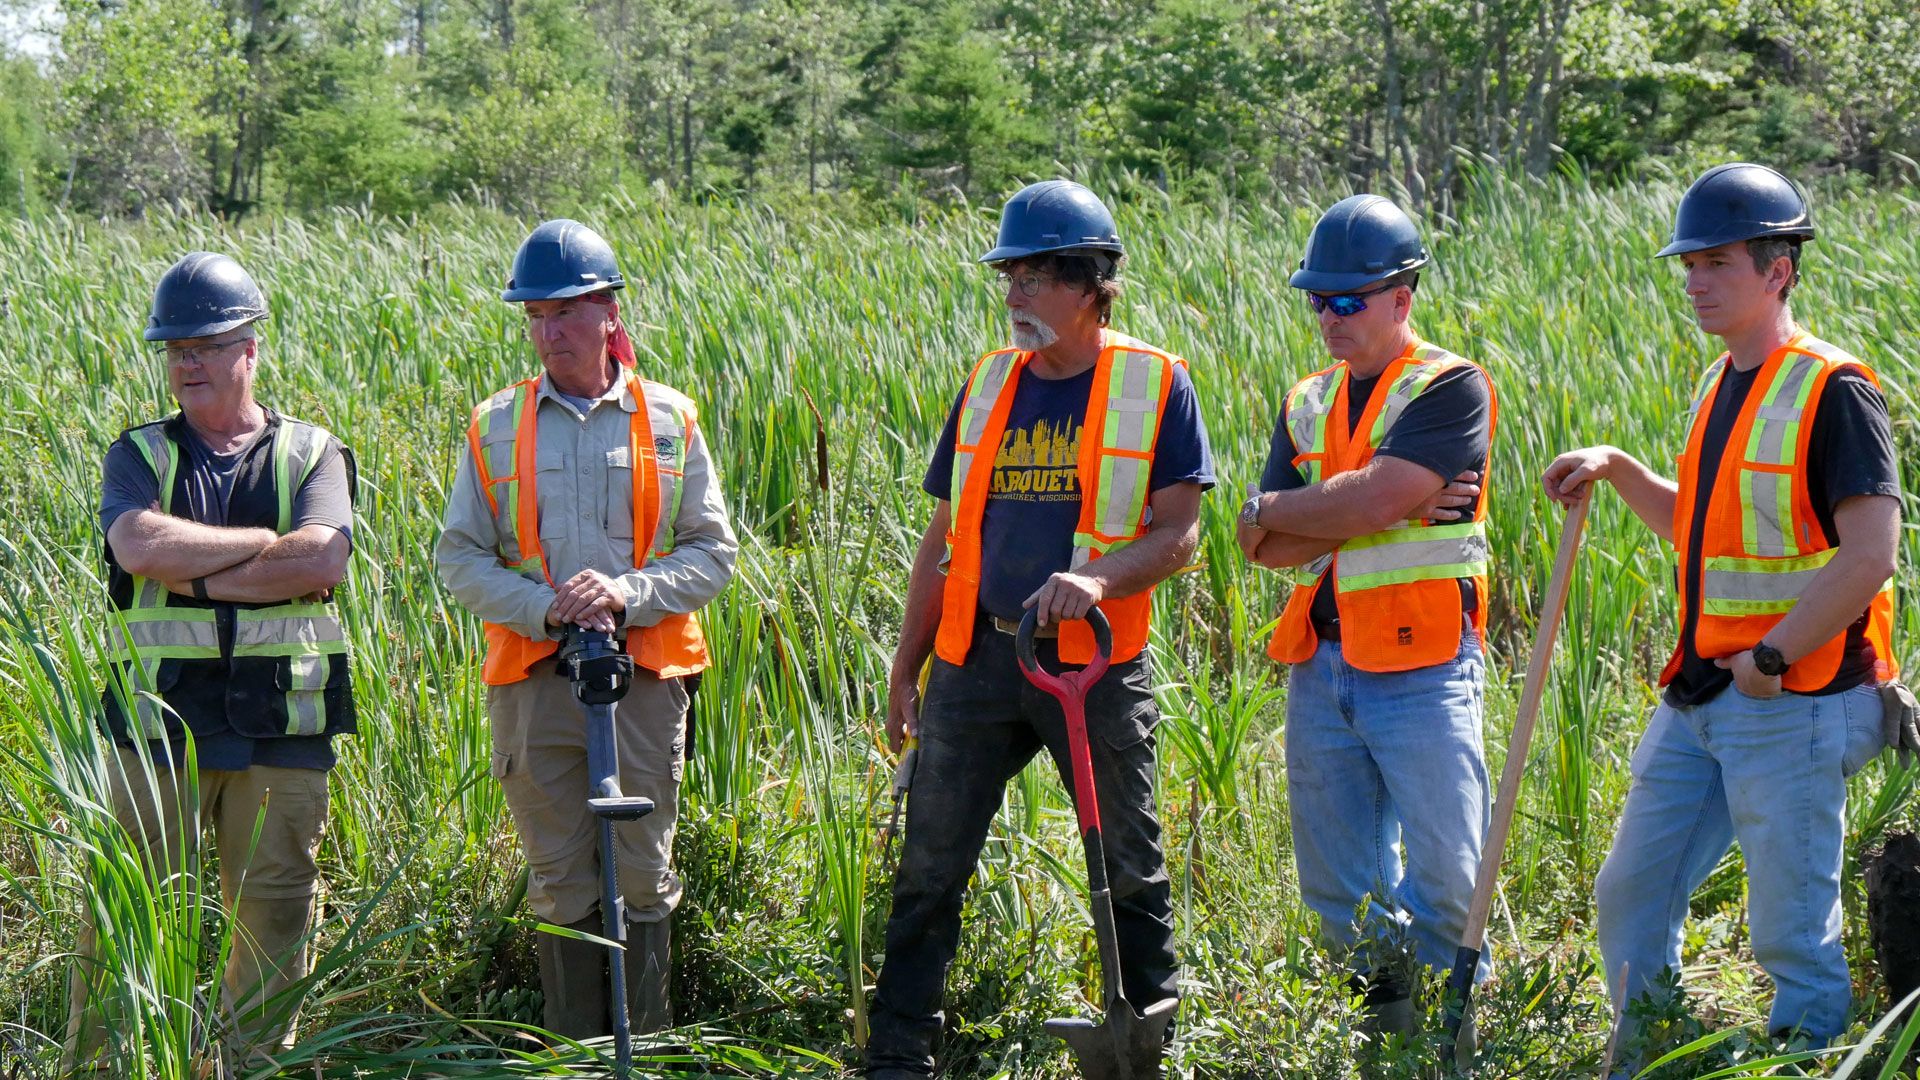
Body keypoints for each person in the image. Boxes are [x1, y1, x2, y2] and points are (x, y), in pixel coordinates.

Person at [1543, 162, 1901, 1059]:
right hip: (1706, 694)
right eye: (1689, 264)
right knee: (1631, 892)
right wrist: (1619, 467)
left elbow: (1871, 556)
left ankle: (1806, 1063)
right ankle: (1651, 1055)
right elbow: (1701, 531)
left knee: (1790, 930)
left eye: (1717, 263)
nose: (1696, 281)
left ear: (1778, 269)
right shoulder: (1722, 382)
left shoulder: (1835, 390)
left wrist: (1772, 659)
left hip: (1798, 696)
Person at [865, 179, 1214, 1078]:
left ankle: (1145, 1046)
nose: (1013, 295)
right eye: (1009, 276)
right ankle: (901, 1054)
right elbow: (942, 538)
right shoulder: (989, 383)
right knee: (929, 865)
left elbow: (1180, 533)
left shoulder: (1153, 382)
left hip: (1092, 668)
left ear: (1091, 281)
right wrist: (908, 668)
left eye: (1032, 277)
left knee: (1128, 864)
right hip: (975, 659)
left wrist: (1095, 578)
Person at [435, 219, 737, 1038]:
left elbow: (715, 554)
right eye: (535, 316)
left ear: (610, 314)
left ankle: (651, 1049)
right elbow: (457, 560)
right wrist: (547, 607)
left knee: (643, 873)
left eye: (566, 312)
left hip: (644, 680)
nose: (549, 332)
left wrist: (626, 593)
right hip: (534, 683)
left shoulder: (670, 417)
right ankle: (575, 1054)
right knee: (559, 878)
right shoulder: (494, 423)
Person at [69, 251, 357, 1072]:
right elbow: (135, 542)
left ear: (250, 349)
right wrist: (264, 545)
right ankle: (111, 1066)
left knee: (272, 927)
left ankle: (251, 1068)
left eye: (203, 345)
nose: (186, 363)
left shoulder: (313, 454)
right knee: (127, 918)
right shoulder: (140, 455)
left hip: (282, 731)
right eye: (175, 350)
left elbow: (320, 564)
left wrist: (193, 567)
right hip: (157, 730)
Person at [1237, 194, 1497, 1044]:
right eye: (1319, 299)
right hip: (1325, 661)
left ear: (1401, 296)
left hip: (1425, 665)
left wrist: (1312, 504)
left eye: (1349, 300)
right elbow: (1260, 544)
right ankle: (1388, 1040)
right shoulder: (1307, 398)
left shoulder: (1449, 385)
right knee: (1340, 884)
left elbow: (1375, 494)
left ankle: (1458, 1038)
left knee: (1453, 874)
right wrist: (1351, 504)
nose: (1331, 316)